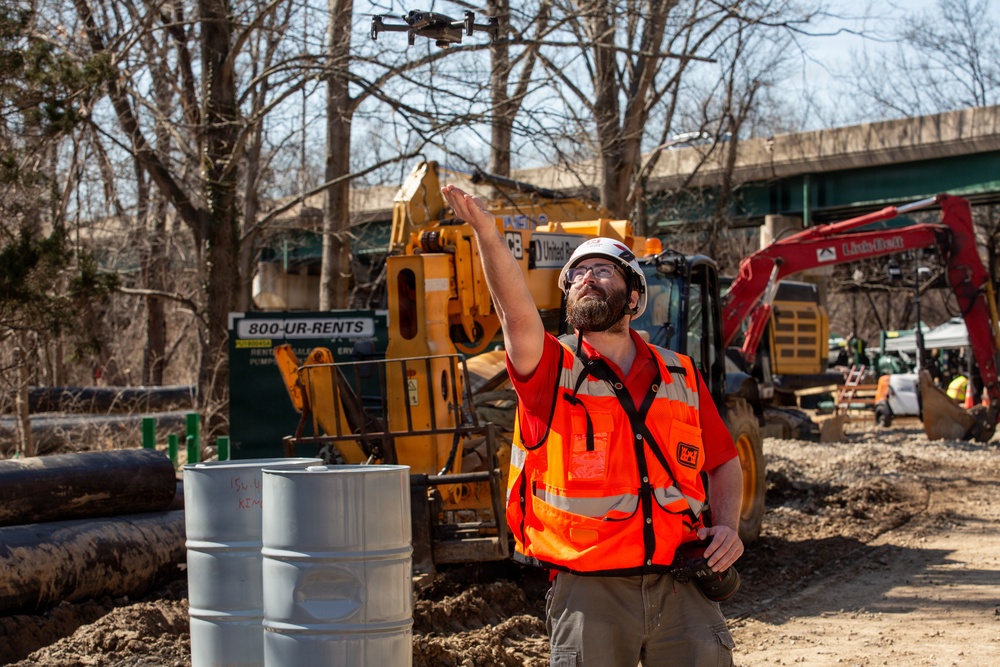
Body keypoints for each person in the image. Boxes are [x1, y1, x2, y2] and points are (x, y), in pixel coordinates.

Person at [441, 184, 744, 667]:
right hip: (589, 596)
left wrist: (727, 527)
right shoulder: (550, 371)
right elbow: (515, 315)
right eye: (577, 274)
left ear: (634, 297)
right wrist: (486, 233)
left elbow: (725, 461)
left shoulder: (680, 374)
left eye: (601, 270)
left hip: (684, 588)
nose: (585, 278)